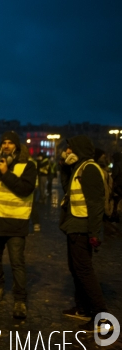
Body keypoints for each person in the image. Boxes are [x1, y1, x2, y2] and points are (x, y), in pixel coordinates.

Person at [0, 131, 36, 319]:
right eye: (4, 142)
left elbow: (25, 189)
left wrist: (5, 173)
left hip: (16, 221)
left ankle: (20, 300)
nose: (6, 146)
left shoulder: (28, 165)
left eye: (11, 142)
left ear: (17, 146)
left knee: (17, 262)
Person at [59, 136, 110, 332]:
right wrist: (64, 168)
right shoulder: (78, 169)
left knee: (84, 271)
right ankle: (82, 308)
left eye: (70, 149)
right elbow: (67, 192)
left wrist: (94, 233)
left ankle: (101, 317)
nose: (67, 152)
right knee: (76, 268)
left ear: (79, 149)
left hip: (82, 228)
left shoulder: (89, 169)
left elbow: (95, 203)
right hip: (74, 226)